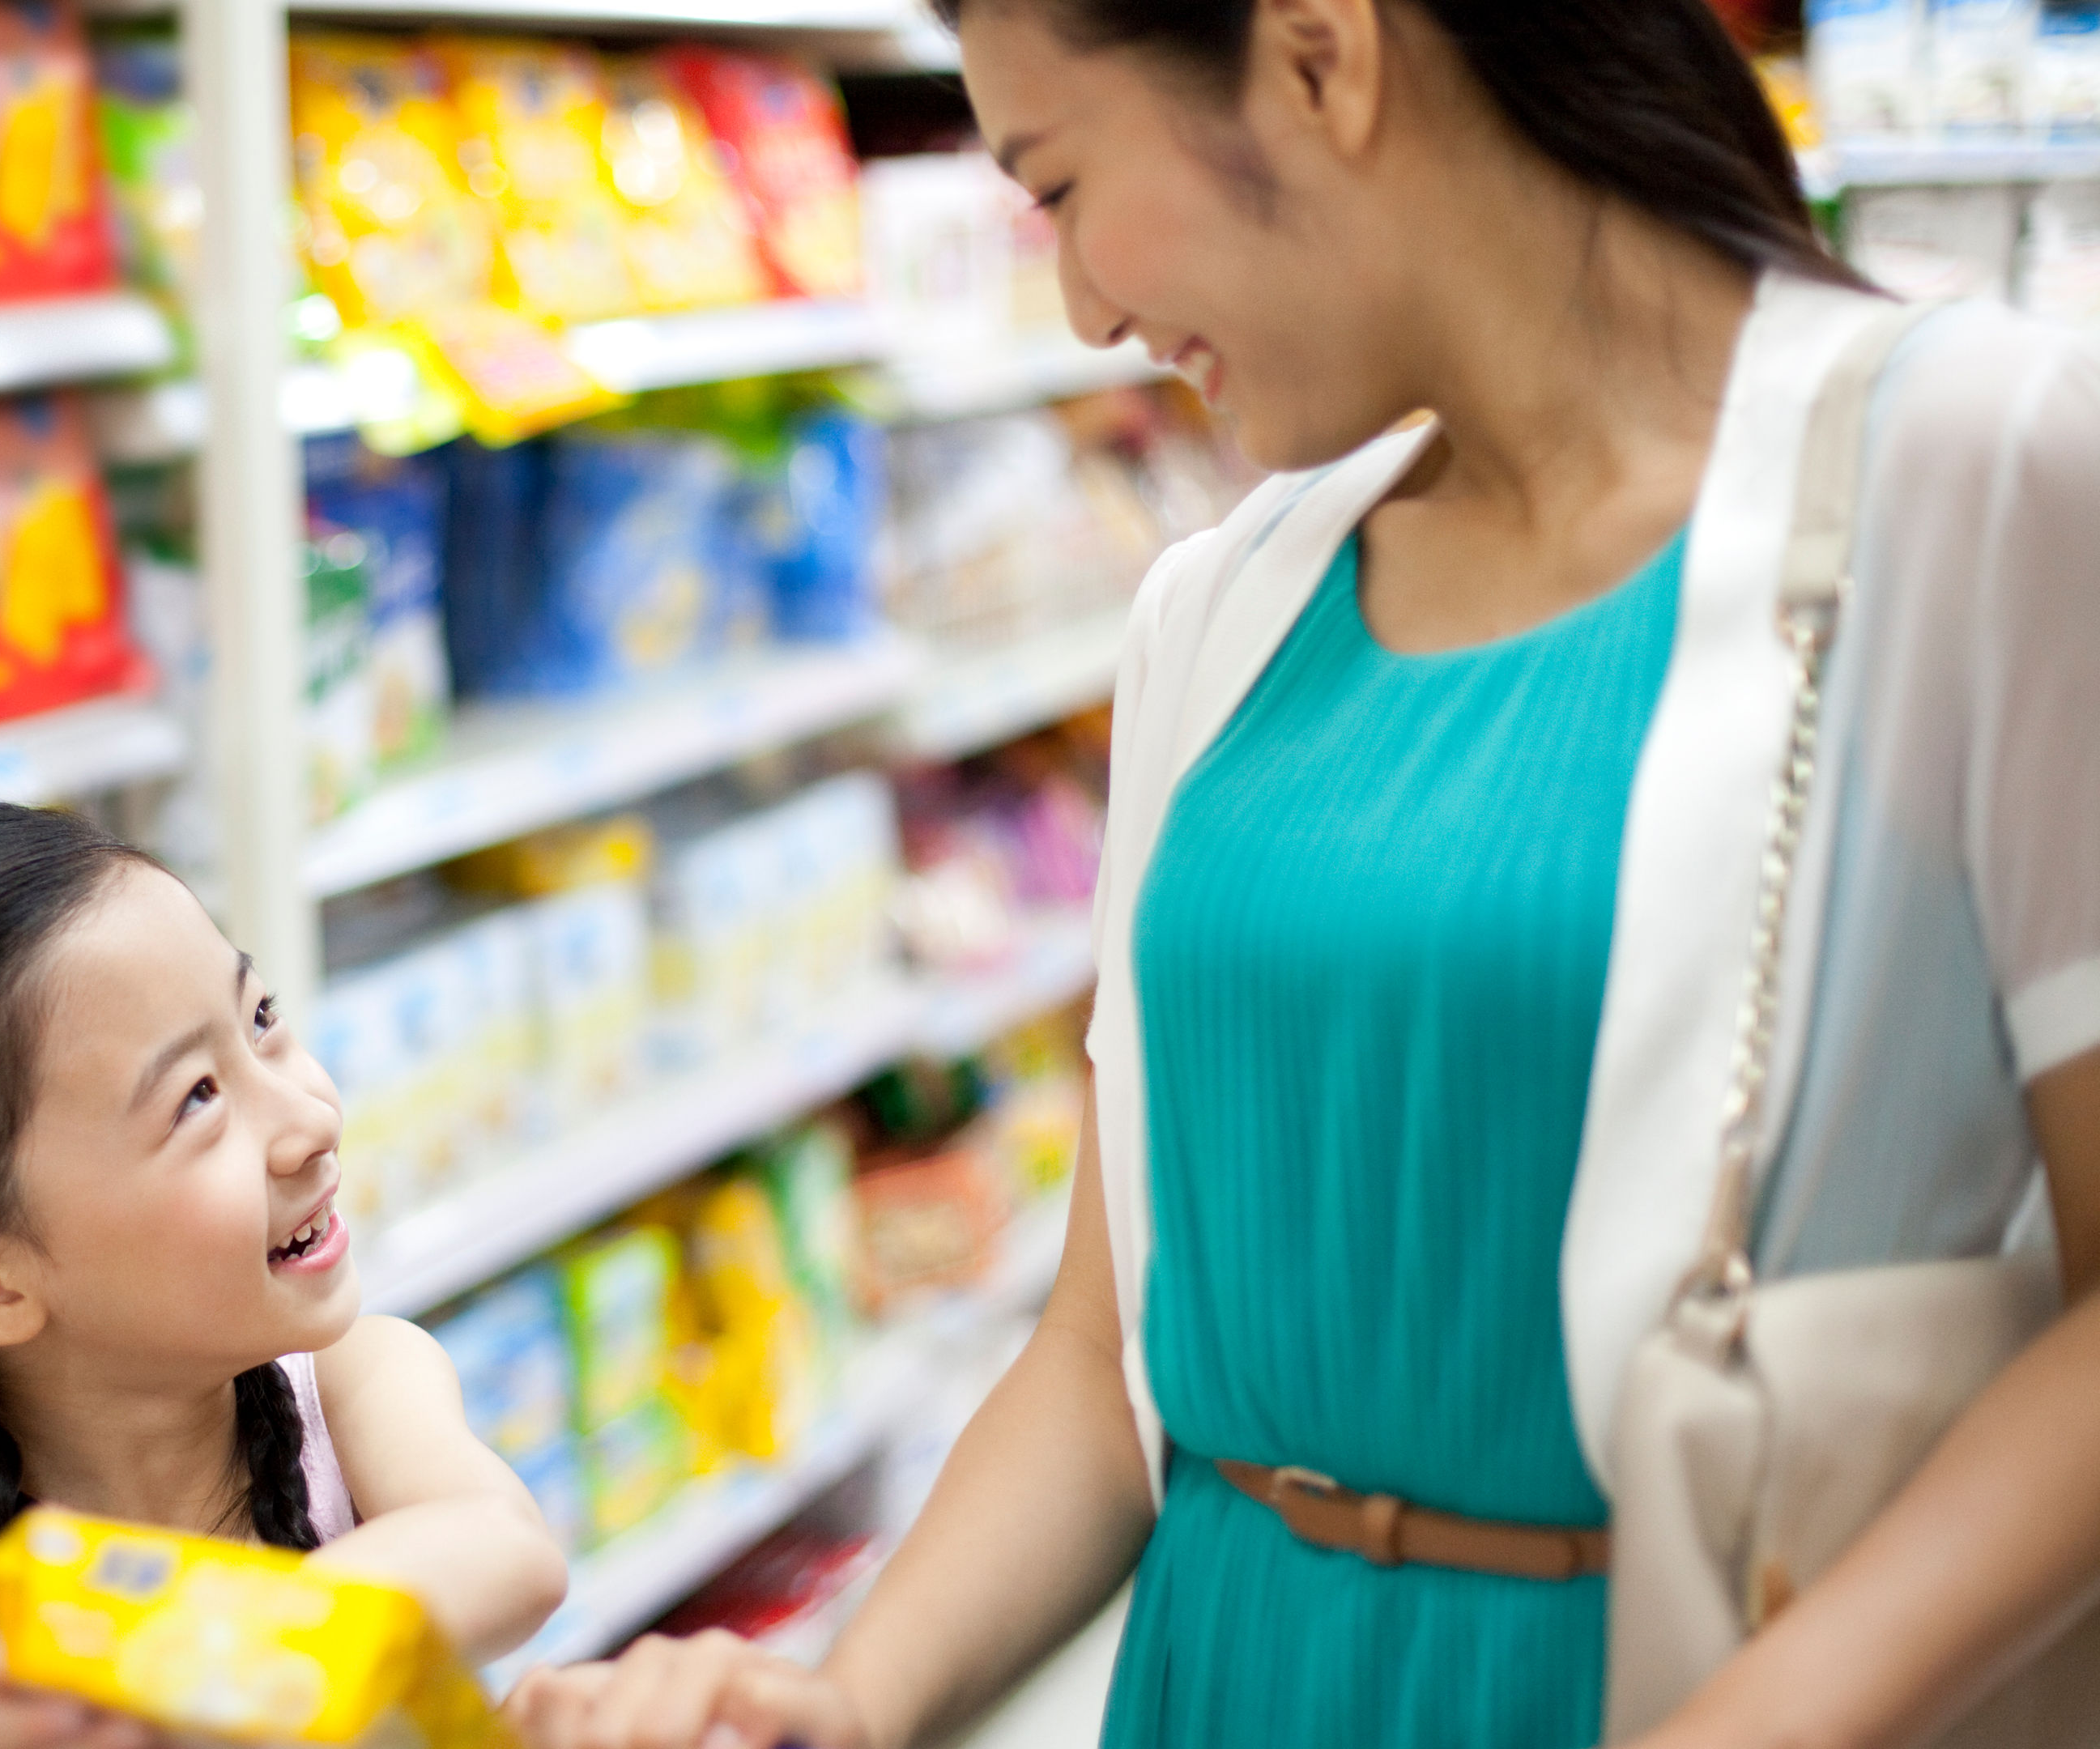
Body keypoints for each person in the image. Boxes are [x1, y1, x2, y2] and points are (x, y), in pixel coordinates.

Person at [504, 0, 2100, 1745]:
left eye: (1060, 184)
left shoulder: (1981, 471)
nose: (1082, 308)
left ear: (1323, 57)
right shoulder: (1224, 608)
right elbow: (1104, 1365)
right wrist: (849, 1697)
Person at [0, 803, 568, 1749]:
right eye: (197, 1097)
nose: (314, 1120)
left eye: (261, 1018)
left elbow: (507, 1551)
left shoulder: (358, 1382)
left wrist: (166, 1653)